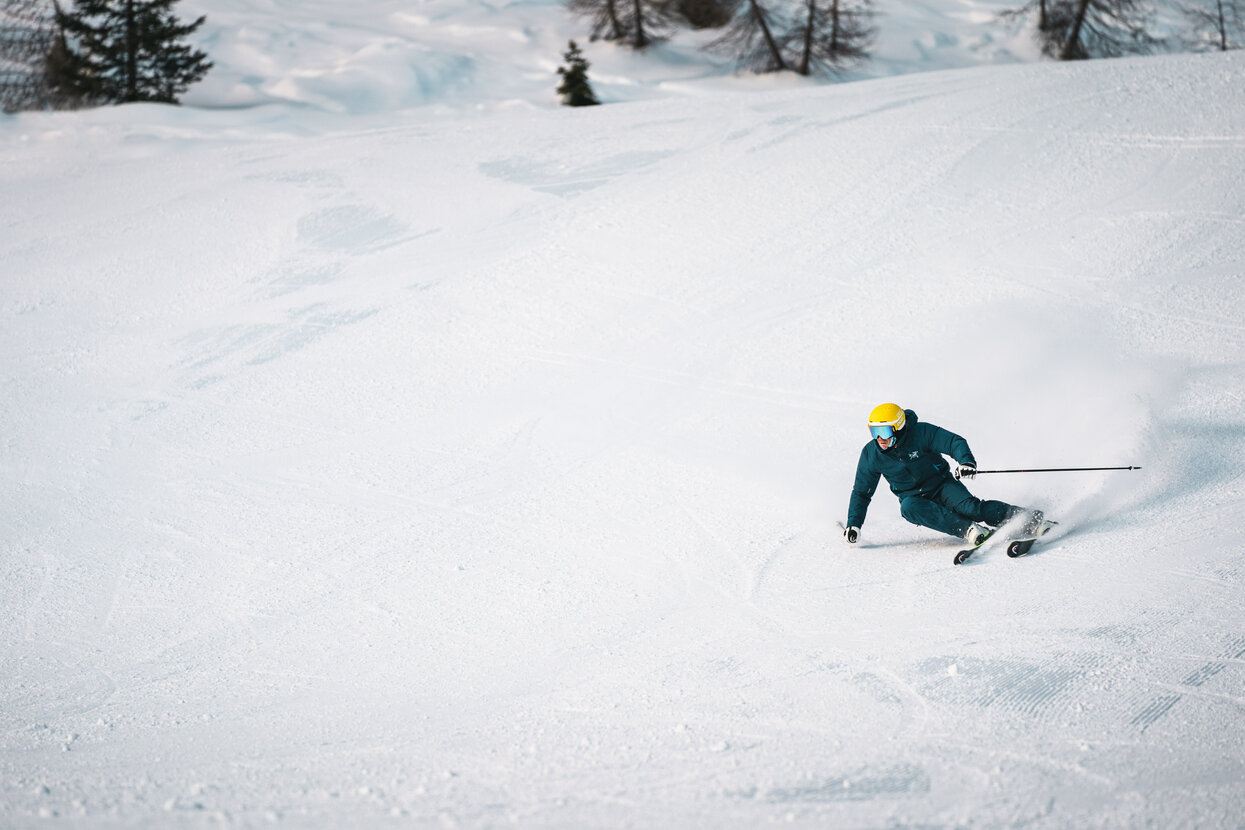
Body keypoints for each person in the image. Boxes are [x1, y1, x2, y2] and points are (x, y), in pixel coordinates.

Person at [842, 403, 1041, 547]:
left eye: (884, 431)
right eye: (874, 431)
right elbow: (861, 492)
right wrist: (854, 525)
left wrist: (966, 462)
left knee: (971, 508)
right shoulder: (871, 454)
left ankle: (1030, 519)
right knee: (908, 508)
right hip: (914, 498)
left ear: (899, 427)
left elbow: (953, 441)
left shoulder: (921, 432)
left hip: (942, 485)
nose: (880, 439)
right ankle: (970, 530)